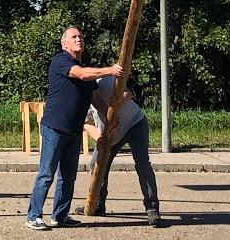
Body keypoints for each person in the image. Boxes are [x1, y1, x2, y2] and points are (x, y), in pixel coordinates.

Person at [25, 26, 123, 232]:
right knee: (46, 173)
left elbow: (96, 99)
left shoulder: (86, 71)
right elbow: (79, 74)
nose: (79, 39)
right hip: (54, 128)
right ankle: (33, 216)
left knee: (68, 176)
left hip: (73, 130)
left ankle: (60, 216)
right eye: (74, 36)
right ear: (64, 44)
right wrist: (109, 70)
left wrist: (112, 119)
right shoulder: (61, 61)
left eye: (80, 36)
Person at [82, 73, 161, 226]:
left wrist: (115, 109)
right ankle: (98, 204)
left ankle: (152, 209)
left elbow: (127, 93)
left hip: (134, 123)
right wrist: (101, 139)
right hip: (110, 134)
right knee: (96, 165)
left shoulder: (105, 81)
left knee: (142, 164)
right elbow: (86, 124)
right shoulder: (78, 99)